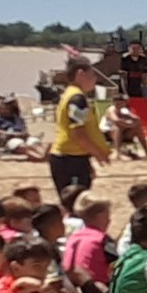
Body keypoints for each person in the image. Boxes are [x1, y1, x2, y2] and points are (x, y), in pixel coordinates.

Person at [32, 204, 109, 293]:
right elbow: (55, 288)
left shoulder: (47, 245)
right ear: (54, 225)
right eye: (61, 222)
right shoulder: (44, 250)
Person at [49, 57, 111, 196]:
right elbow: (79, 134)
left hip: (74, 157)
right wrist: (99, 154)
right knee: (75, 203)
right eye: (92, 74)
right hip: (69, 159)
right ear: (80, 74)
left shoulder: (70, 93)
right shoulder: (77, 99)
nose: (95, 79)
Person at [62, 192, 118, 293]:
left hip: (75, 292)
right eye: (107, 214)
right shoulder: (101, 239)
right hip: (98, 291)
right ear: (101, 215)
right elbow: (118, 267)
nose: (109, 219)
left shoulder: (73, 237)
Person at [0, 98, 48, 162]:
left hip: (23, 137)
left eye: (7, 109)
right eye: (4, 109)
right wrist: (12, 134)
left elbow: (24, 130)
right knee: (23, 146)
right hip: (9, 139)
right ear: (0, 110)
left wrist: (23, 134)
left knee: (35, 143)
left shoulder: (18, 119)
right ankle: (39, 157)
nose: (6, 110)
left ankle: (44, 155)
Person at [99, 94, 147, 160]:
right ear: (113, 103)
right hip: (108, 134)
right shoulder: (111, 110)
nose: (119, 104)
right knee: (117, 128)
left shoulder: (124, 110)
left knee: (137, 128)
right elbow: (116, 121)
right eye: (117, 102)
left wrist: (132, 121)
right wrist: (131, 125)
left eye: (121, 102)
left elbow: (137, 119)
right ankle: (118, 154)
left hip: (123, 132)